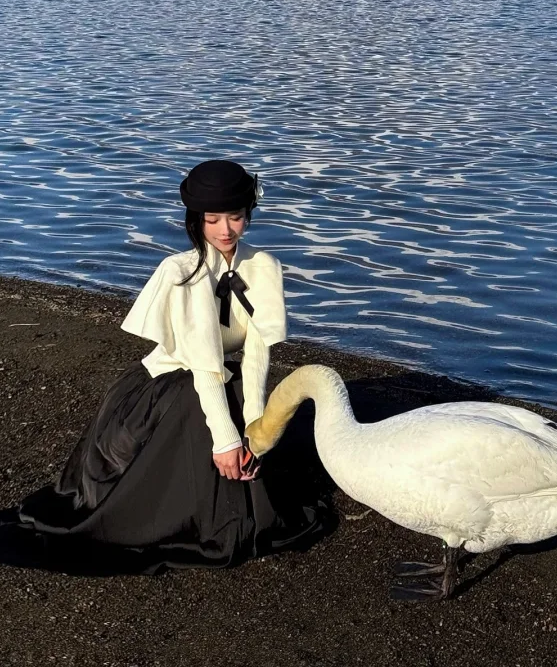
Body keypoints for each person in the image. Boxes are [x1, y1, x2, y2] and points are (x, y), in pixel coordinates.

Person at [17, 159, 331, 570]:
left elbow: (257, 354)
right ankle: (193, 517)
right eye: (212, 219)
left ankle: (239, 503)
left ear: (249, 214)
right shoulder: (181, 272)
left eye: (235, 217)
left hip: (218, 375)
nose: (225, 230)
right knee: (204, 408)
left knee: (239, 399)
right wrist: (227, 441)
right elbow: (203, 363)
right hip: (165, 386)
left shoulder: (264, 266)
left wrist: (255, 432)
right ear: (196, 219)